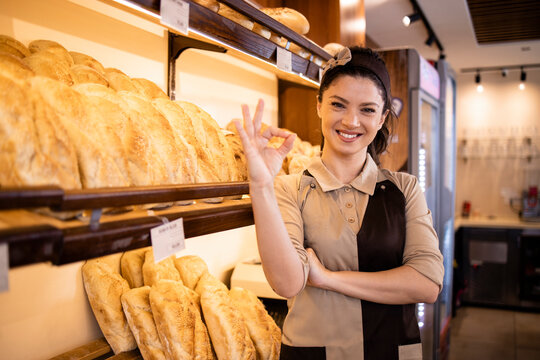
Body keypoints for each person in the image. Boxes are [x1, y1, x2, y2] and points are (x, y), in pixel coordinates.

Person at [234, 46, 444, 360]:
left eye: (368, 110)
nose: (351, 121)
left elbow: (427, 283)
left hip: (392, 352)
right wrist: (261, 185)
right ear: (319, 106)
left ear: (382, 117)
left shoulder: (404, 188)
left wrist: (328, 279)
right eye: (338, 104)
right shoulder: (290, 187)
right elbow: (288, 283)